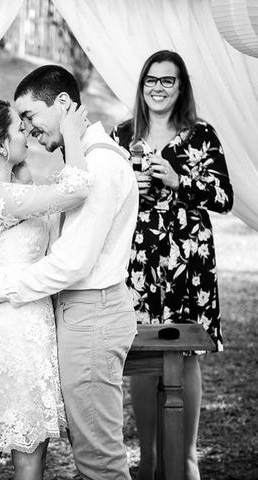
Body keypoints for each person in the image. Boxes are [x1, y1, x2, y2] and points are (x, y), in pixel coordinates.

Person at [0, 65, 139, 479]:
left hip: (92, 316)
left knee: (99, 461)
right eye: (20, 123)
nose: (26, 130)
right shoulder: (85, 161)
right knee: (90, 456)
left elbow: (72, 263)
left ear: (63, 105)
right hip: (77, 315)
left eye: (30, 116)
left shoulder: (98, 166)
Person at [0, 97, 90, 479]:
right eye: (18, 129)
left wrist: (21, 166)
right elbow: (77, 190)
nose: (26, 132)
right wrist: (74, 138)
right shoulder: (4, 197)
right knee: (28, 455)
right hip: (21, 330)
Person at [110, 50, 234, 480]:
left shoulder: (200, 135)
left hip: (188, 260)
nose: (158, 88)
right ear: (142, 85)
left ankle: (184, 459)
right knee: (143, 350)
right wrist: (132, 188)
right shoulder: (122, 135)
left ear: (181, 88)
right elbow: (103, 198)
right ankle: (149, 460)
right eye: (151, 80)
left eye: (168, 81)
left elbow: (224, 197)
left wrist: (178, 182)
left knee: (183, 352)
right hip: (140, 257)